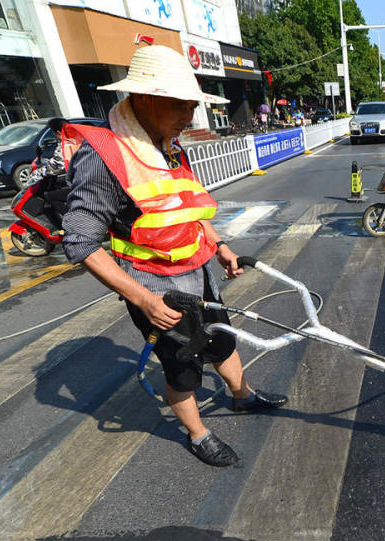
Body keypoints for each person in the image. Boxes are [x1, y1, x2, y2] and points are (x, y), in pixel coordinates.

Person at [61, 44, 287, 468]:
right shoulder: (106, 155)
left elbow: (186, 205)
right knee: (181, 364)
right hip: (155, 287)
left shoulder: (167, 144)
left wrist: (218, 245)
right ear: (145, 99)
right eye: (181, 106)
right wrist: (144, 300)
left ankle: (242, 396)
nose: (190, 116)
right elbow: (80, 241)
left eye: (192, 106)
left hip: (198, 271)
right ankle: (198, 435)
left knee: (221, 339)